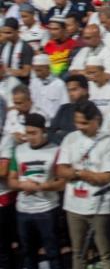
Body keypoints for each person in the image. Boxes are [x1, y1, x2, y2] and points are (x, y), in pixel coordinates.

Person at [56, 100, 110, 269]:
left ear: (96, 119)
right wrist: (82, 174)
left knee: (106, 253)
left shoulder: (108, 141)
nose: (80, 126)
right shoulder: (70, 138)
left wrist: (79, 173)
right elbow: (61, 170)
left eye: (84, 122)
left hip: (100, 207)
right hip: (74, 205)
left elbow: (106, 177)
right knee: (78, 252)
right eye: (77, 122)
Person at [9, 112, 64, 269]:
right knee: (27, 253)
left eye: (34, 133)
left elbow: (61, 183)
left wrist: (40, 187)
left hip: (47, 209)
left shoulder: (55, 150)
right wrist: (23, 186)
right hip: (23, 210)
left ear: (43, 131)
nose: (30, 137)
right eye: (27, 133)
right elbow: (12, 180)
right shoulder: (19, 151)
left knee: (53, 253)